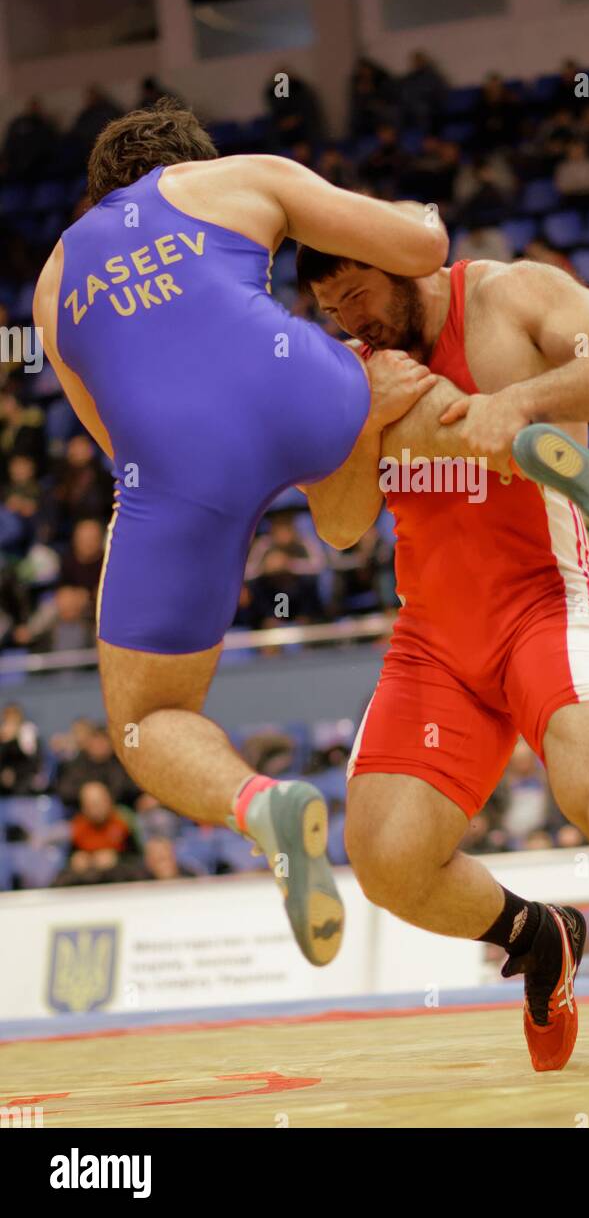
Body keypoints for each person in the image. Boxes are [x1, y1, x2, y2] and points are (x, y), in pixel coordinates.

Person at [295, 244, 589, 1080]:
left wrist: (517, 402)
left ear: (400, 266)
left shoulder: (507, 297)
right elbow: (339, 526)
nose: (353, 320)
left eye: (359, 295)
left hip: (541, 604)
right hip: (434, 638)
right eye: (332, 309)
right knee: (386, 861)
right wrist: (366, 420)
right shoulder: (356, 367)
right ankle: (538, 936)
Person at [32, 97, 450, 968]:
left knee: (147, 718)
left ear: (100, 190)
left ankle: (259, 804)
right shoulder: (241, 177)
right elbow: (421, 253)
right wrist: (421, 217)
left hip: (177, 477)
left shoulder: (51, 279)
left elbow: (116, 443)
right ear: (186, 159)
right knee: (348, 492)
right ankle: (488, 428)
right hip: (305, 390)